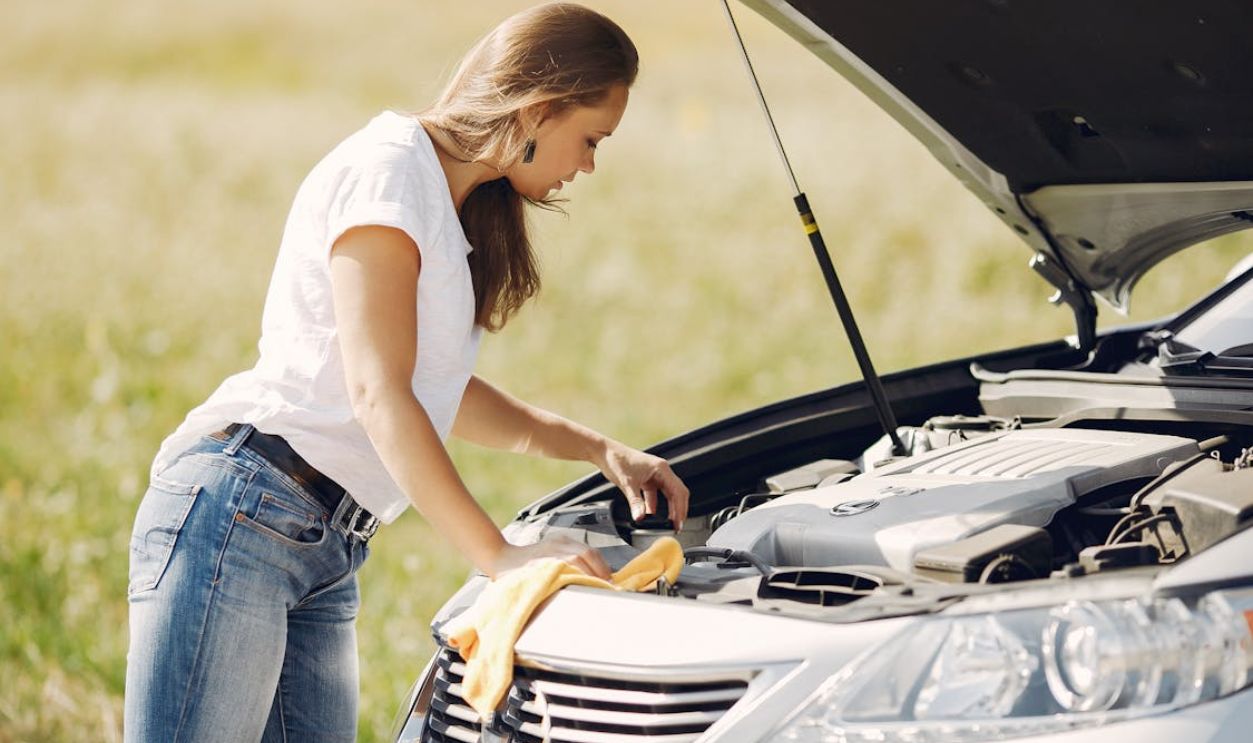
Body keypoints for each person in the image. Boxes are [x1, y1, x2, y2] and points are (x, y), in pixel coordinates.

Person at [123, 4, 690, 741]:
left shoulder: (448, 203)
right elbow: (378, 392)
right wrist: (499, 556)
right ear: (540, 108)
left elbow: (436, 394)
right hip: (242, 517)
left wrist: (599, 450)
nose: (587, 164)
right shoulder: (389, 173)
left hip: (323, 545)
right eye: (590, 139)